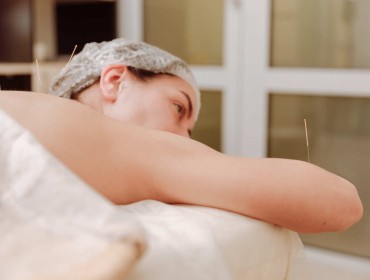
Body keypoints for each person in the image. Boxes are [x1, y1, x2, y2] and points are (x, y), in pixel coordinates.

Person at [0, 39, 363, 234]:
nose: (182, 139)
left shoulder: (28, 110)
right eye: (178, 108)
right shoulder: (103, 139)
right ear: (114, 80)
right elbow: (339, 202)